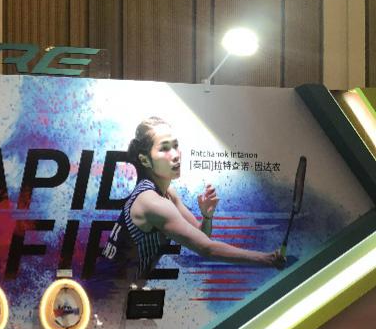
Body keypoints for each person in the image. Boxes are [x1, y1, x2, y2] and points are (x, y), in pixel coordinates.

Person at [103, 116, 284, 278]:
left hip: (123, 287)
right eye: (164, 148)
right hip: (110, 292)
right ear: (144, 160)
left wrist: (207, 217)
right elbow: (207, 249)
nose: (175, 155)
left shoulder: (168, 194)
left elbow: (201, 235)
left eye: (175, 146)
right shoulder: (152, 203)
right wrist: (266, 258)